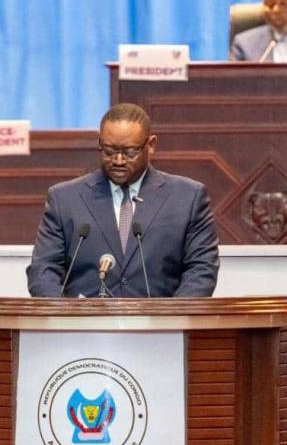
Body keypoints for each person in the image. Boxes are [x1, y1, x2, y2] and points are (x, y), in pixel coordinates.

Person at [27, 103, 220, 298]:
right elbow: (43, 270)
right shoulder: (65, 199)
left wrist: (171, 321)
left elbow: (201, 270)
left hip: (161, 324)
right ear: (99, 142)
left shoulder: (188, 198)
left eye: (129, 152)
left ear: (150, 145)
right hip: (84, 325)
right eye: (109, 151)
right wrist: (62, 319)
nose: (118, 160)